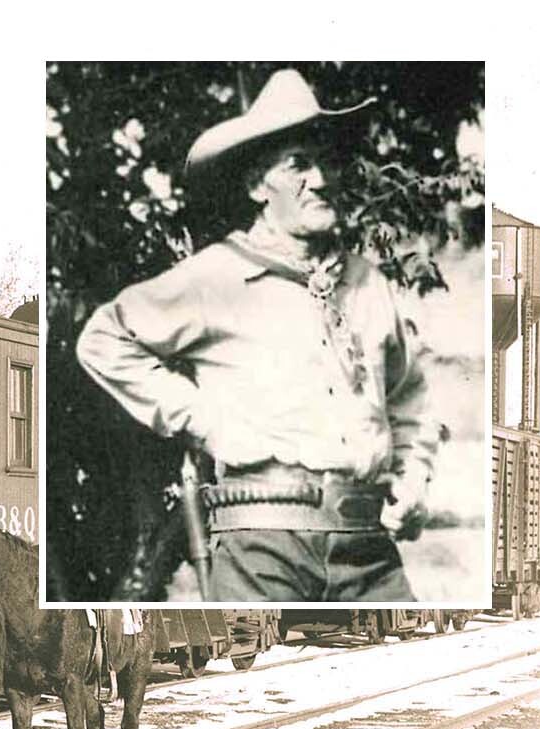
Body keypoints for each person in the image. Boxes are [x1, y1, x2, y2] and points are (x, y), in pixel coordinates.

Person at [74, 69, 439, 603]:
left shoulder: (367, 282)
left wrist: (413, 479)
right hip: (261, 547)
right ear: (255, 186)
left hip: (369, 550)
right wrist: (206, 419)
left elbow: (410, 394)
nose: (320, 178)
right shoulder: (216, 278)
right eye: (298, 164)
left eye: (326, 161)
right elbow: (104, 338)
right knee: (261, 683)